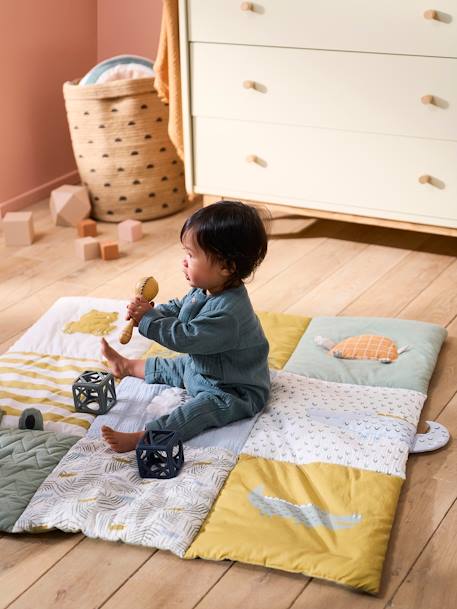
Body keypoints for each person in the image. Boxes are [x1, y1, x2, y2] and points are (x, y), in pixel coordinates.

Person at [101, 200, 271, 451]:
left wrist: (148, 320)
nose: (184, 262)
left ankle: (146, 436)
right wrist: (150, 312)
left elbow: (185, 338)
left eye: (191, 255)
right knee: (173, 367)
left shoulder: (230, 314)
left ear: (227, 267)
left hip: (232, 390)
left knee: (198, 412)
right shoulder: (206, 288)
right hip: (206, 369)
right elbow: (179, 308)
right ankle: (125, 365)